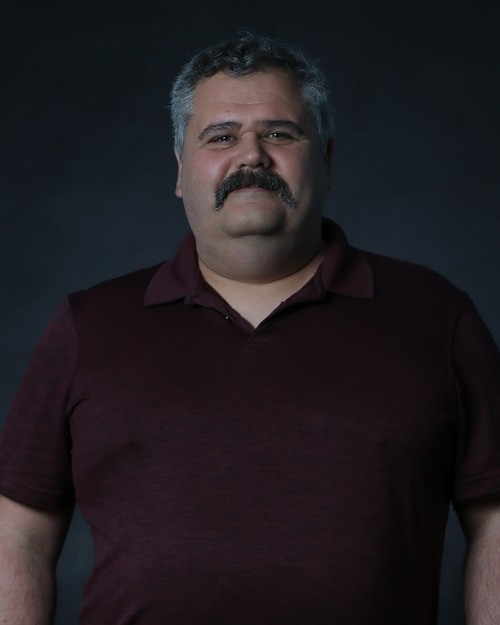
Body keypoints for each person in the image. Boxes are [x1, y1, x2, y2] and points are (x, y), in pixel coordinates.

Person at [0, 34, 499, 625]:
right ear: (180, 169)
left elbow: (494, 521)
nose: (252, 156)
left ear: (326, 160)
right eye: (221, 136)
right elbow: (17, 535)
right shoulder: (89, 324)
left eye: (279, 134)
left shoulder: (436, 316)